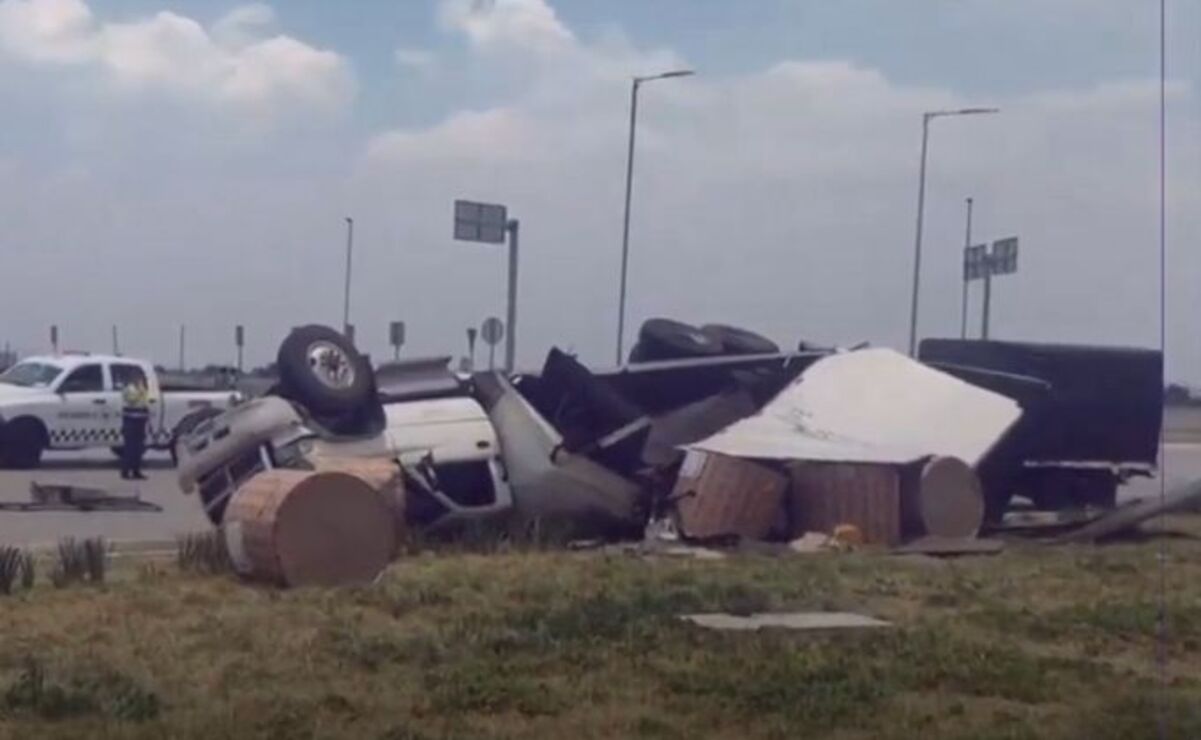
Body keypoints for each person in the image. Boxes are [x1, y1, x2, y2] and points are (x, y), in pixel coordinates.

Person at [120, 377, 151, 480]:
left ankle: (136, 471)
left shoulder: (142, 389)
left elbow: (146, 403)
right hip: (130, 421)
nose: (140, 381)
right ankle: (125, 471)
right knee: (130, 448)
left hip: (141, 421)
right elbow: (131, 400)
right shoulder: (129, 389)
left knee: (139, 448)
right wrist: (140, 392)